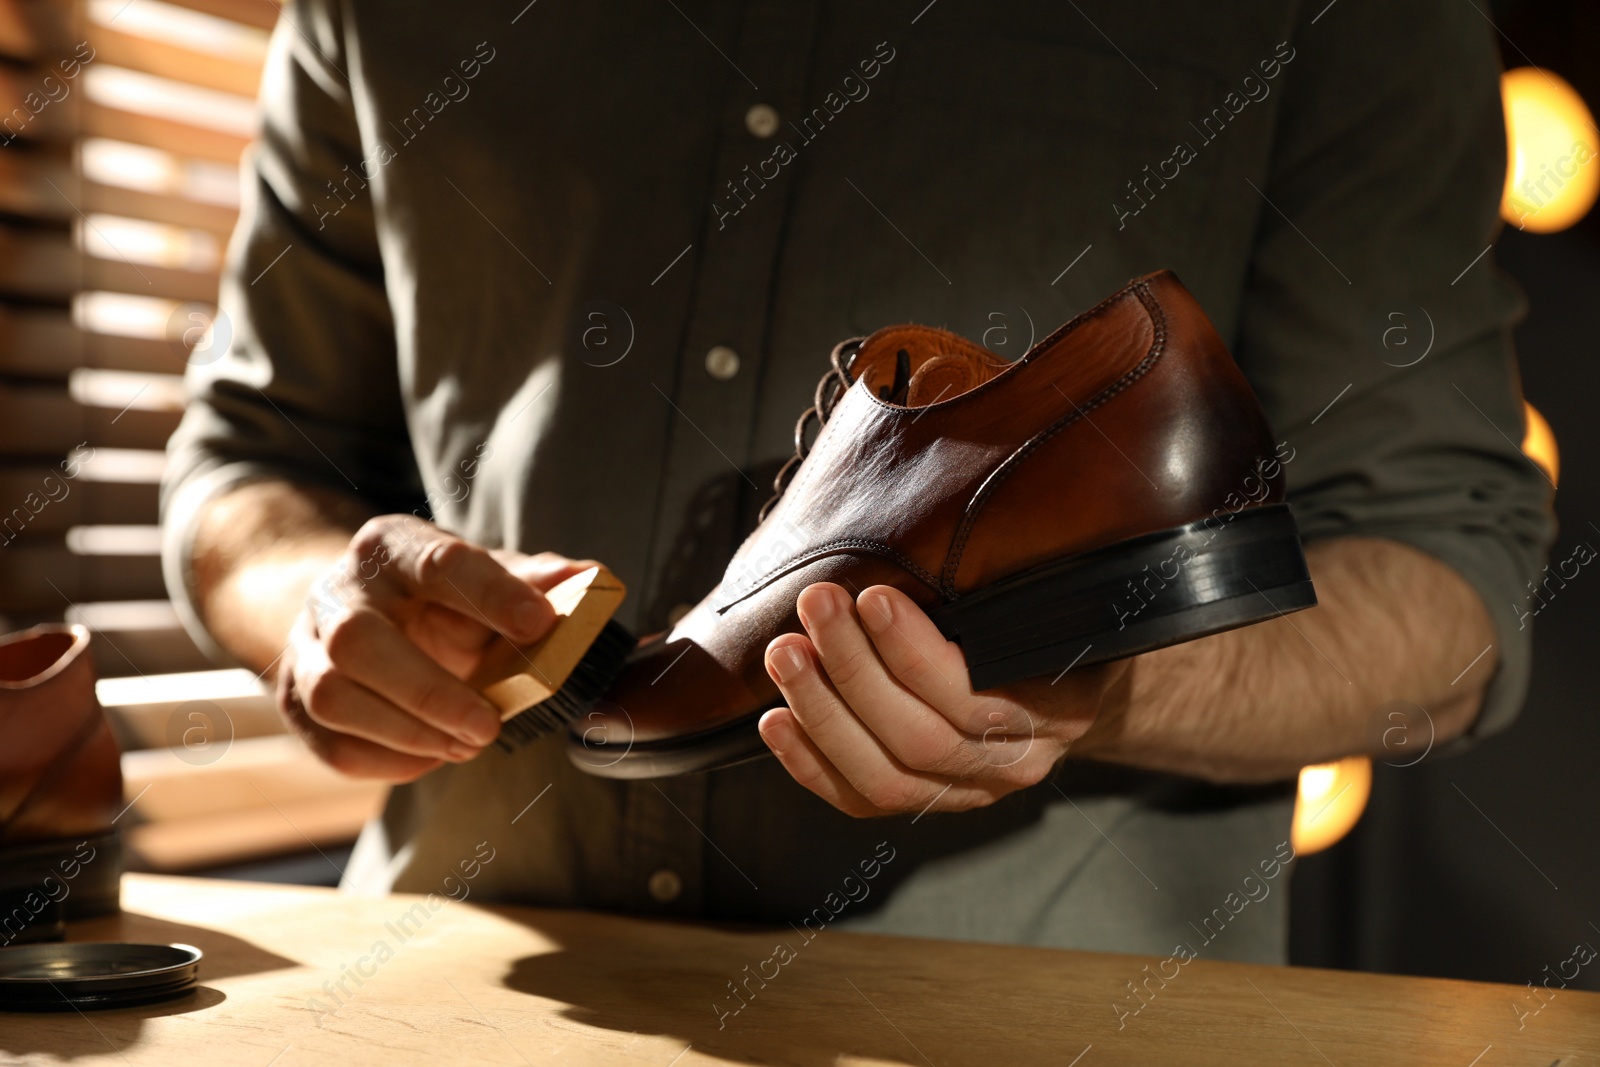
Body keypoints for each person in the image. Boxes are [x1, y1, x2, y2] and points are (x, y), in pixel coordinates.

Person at [163, 0, 1552, 966]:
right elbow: (245, 460)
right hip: (466, 985)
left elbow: (1449, 581)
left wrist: (1079, 667)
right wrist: (309, 602)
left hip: (1023, 1023)